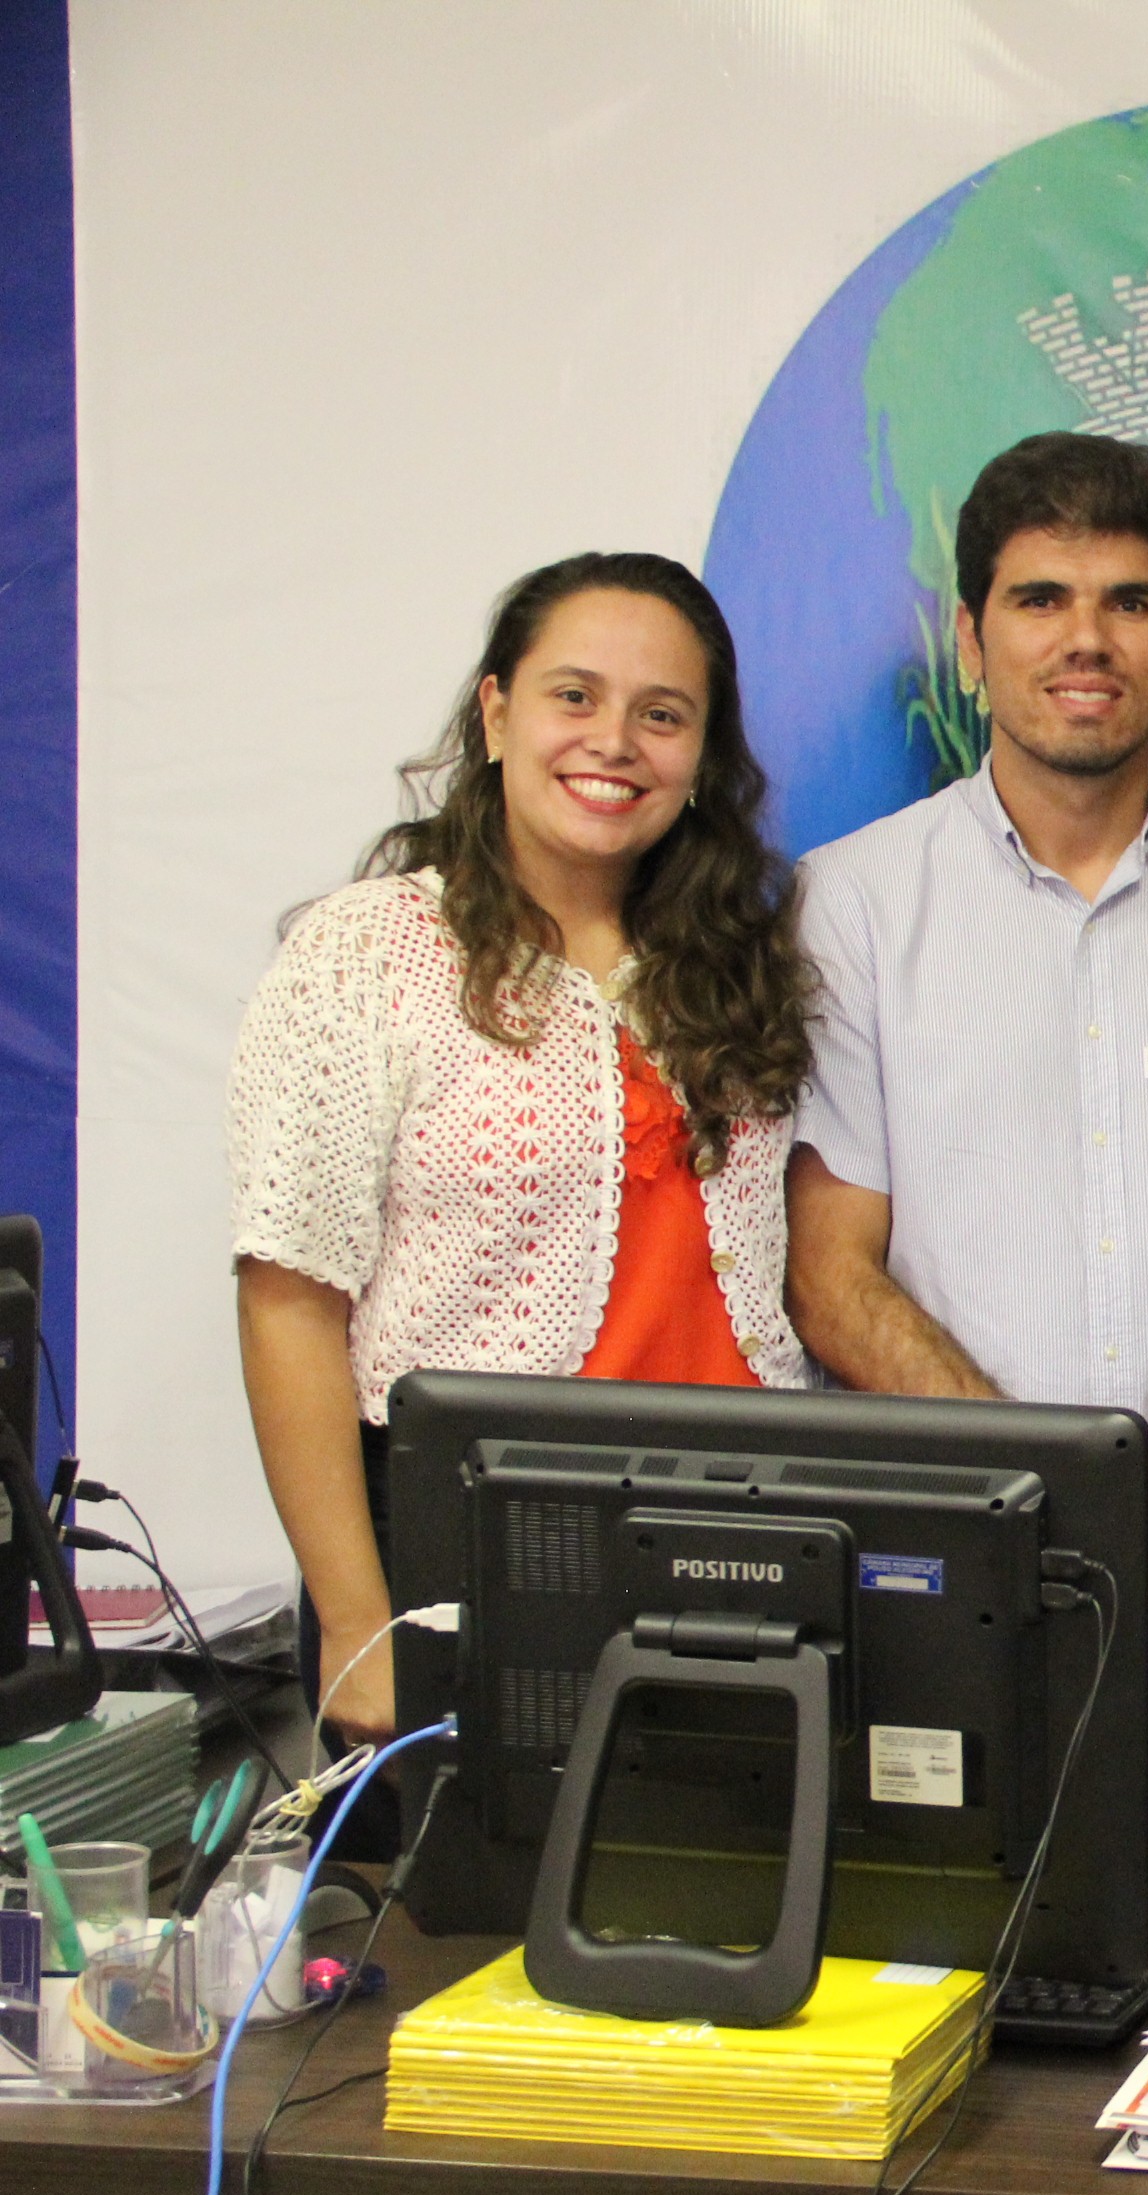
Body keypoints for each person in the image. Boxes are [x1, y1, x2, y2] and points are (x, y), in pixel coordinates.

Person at [786, 432, 1148, 1917]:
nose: (1087, 639)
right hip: (938, 1610)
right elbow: (832, 1274)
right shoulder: (853, 904)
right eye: (1041, 601)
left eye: (1128, 601)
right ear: (973, 642)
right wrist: (1057, 1494)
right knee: (938, 2027)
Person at [230, 552, 818, 1761]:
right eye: (574, 697)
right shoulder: (369, 956)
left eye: (663, 715)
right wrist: (356, 1623)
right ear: (496, 713)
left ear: (702, 758)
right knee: (471, 1939)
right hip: (472, 1546)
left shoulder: (739, 964)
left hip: (733, 1542)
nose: (615, 742)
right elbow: (289, 1302)